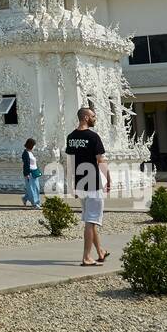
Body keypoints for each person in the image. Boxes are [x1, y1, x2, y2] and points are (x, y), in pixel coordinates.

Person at [65, 107, 109, 266]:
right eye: (92, 116)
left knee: (91, 219)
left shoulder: (71, 137)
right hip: (93, 183)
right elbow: (101, 160)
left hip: (80, 183)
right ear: (85, 117)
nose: (94, 118)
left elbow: (70, 163)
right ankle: (86, 257)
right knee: (91, 221)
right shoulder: (93, 137)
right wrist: (108, 180)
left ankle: (100, 252)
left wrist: (72, 185)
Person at [21, 137, 42, 208]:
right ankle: (35, 204)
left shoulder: (30, 153)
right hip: (29, 173)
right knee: (33, 189)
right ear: (31, 145)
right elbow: (26, 164)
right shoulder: (25, 153)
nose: (34, 147)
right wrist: (26, 174)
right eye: (34, 145)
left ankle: (25, 198)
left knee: (35, 188)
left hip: (34, 172)